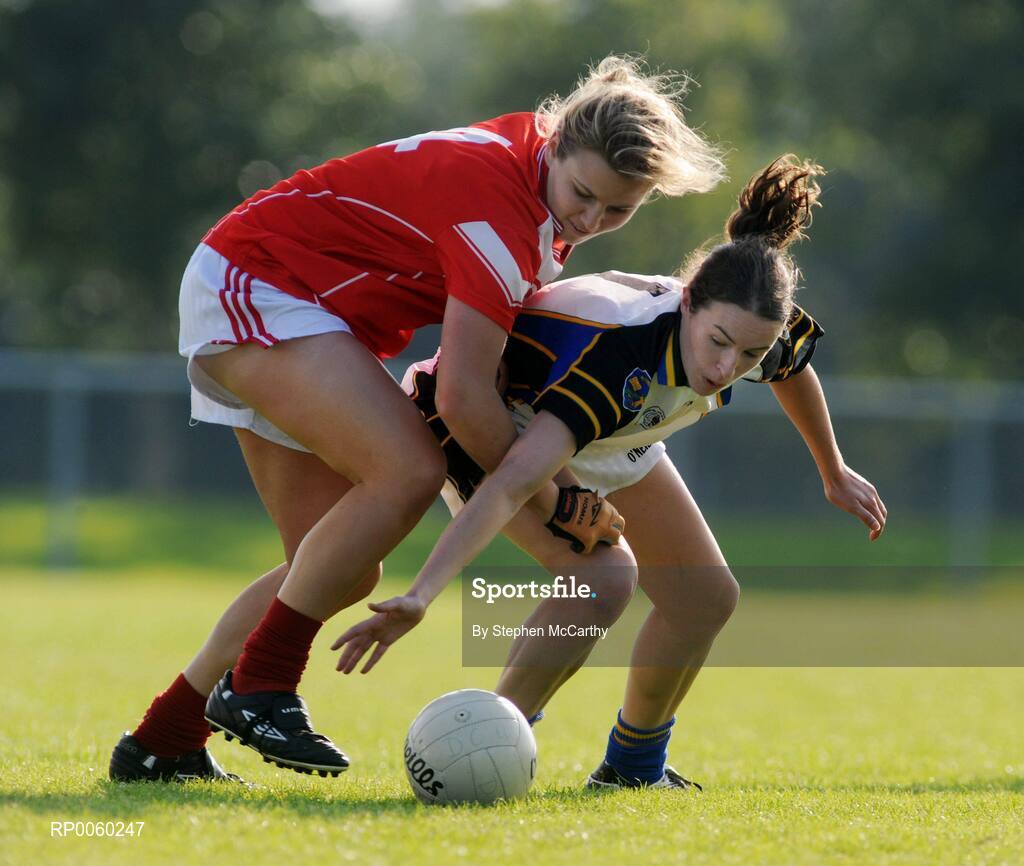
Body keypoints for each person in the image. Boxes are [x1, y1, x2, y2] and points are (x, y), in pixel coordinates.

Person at [108, 56, 728, 782]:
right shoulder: (501, 211)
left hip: (300, 310)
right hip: (261, 286)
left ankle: (163, 741)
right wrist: (563, 503)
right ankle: (260, 685)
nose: (590, 220)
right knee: (407, 471)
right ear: (555, 141)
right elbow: (465, 401)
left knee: (333, 568)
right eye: (584, 194)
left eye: (618, 210)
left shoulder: (530, 170)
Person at [331, 155, 888, 791]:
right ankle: (480, 748)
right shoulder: (619, 360)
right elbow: (514, 479)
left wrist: (833, 469)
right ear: (687, 303)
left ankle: (632, 769)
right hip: (496, 417)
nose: (731, 365)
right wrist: (421, 594)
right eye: (719, 343)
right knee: (603, 578)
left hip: (611, 432)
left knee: (705, 598)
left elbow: (791, 370)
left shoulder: (750, 321)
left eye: (751, 353)